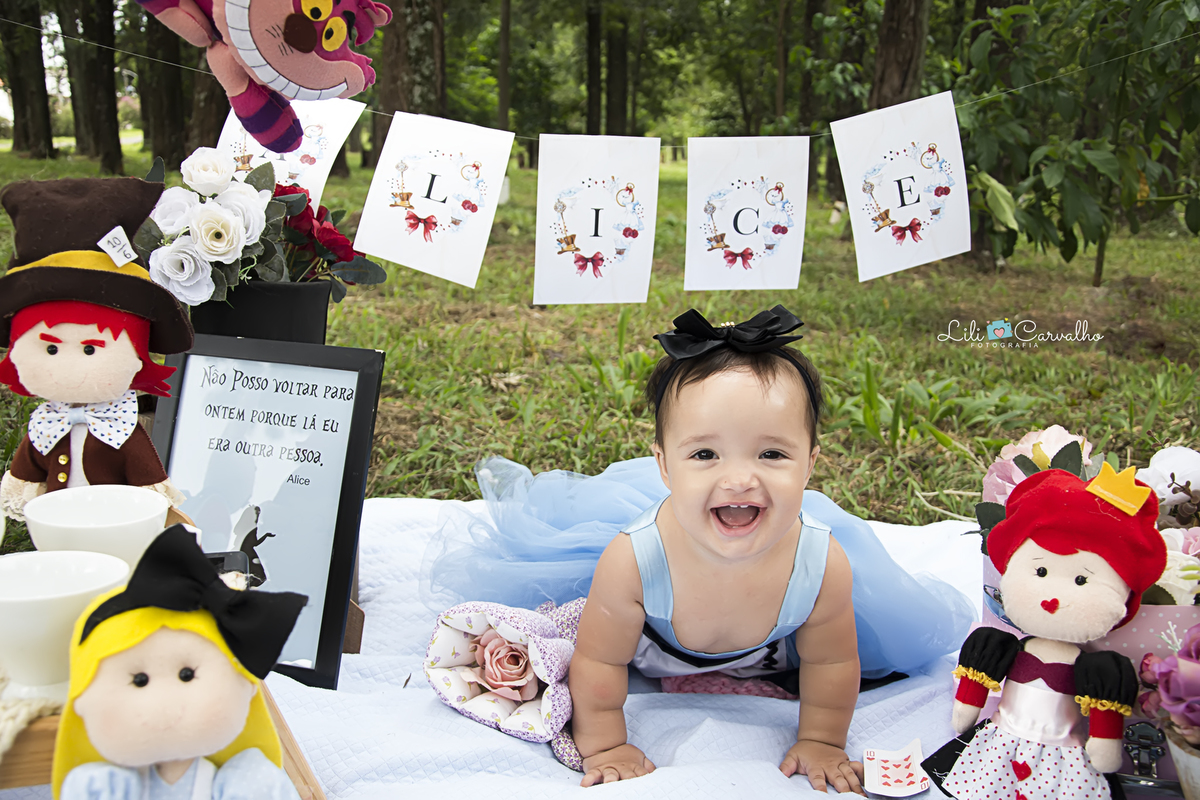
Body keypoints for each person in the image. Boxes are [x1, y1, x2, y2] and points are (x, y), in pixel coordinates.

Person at [423, 305, 975, 793]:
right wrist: (607, 744)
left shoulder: (820, 563)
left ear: (810, 463)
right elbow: (601, 661)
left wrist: (822, 740)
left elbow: (831, 661)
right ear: (664, 466)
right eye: (705, 454)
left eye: (772, 455)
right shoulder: (635, 559)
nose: (739, 479)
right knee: (582, 634)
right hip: (653, 644)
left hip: (766, 649)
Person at [52, 526, 308, 800]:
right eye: (140, 680)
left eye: (187, 674)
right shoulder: (105, 787)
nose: (164, 704)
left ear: (246, 687)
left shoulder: (246, 783)